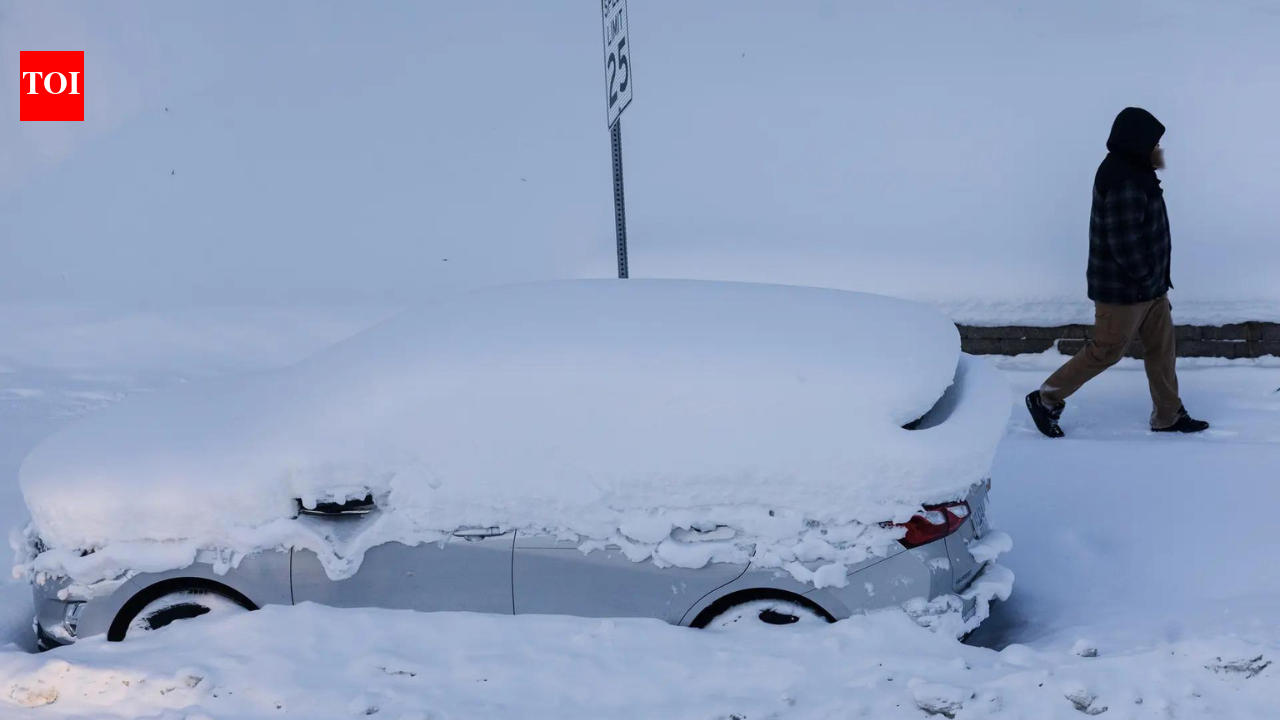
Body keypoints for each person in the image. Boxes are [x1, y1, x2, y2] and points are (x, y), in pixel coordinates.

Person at [1025, 107, 1209, 438]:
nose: (1159, 149)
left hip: (1150, 287)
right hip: (1125, 291)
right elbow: (1124, 242)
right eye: (1154, 143)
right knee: (1106, 351)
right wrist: (1147, 274)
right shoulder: (1124, 179)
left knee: (1162, 350)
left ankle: (1168, 415)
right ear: (1138, 142)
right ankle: (1045, 398)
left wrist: (1154, 280)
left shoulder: (1136, 171)